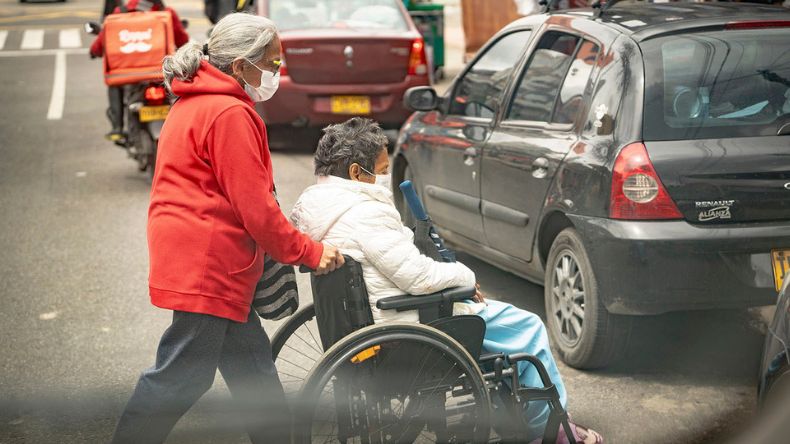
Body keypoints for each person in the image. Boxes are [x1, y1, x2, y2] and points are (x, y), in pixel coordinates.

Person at [289, 117, 603, 444]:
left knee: (497, 330)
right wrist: (465, 277)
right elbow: (418, 277)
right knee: (528, 328)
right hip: (409, 329)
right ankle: (550, 432)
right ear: (357, 173)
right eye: (382, 170)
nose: (385, 177)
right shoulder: (364, 213)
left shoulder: (319, 210)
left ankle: (511, 418)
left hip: (369, 328)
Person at [110, 13, 345, 444]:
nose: (276, 72)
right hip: (210, 263)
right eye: (272, 63)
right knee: (180, 377)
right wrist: (310, 252)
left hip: (205, 257)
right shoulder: (228, 113)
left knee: (254, 374)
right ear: (240, 65)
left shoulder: (196, 100)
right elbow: (256, 208)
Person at [89, 0, 190, 142]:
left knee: (114, 83)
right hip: (160, 72)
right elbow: (182, 40)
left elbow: (103, 40)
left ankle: (117, 128)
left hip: (128, 75)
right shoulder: (166, 13)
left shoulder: (119, 13)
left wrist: (94, 51)